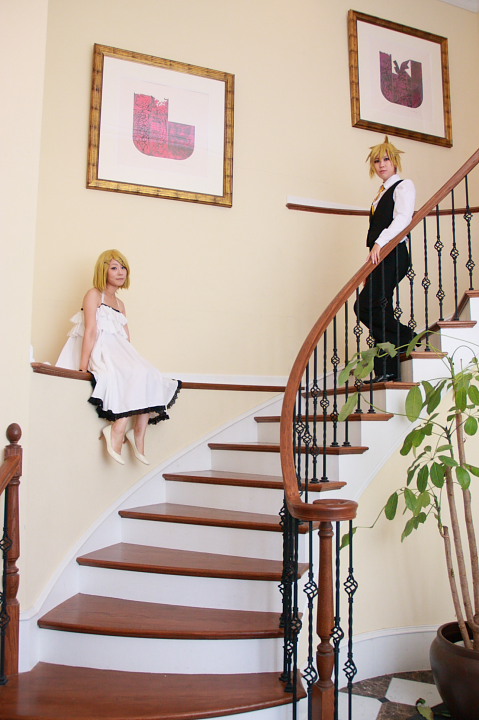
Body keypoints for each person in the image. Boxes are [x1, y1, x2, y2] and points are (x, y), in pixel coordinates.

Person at [56, 249, 181, 465]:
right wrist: (83, 365)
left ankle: (139, 433)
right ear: (103, 270)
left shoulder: (121, 304)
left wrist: (132, 359)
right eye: (114, 268)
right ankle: (118, 427)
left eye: (123, 268)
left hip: (119, 349)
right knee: (126, 374)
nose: (120, 272)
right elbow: (91, 330)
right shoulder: (94, 295)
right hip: (102, 348)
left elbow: (126, 338)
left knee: (148, 373)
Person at [354, 136, 416, 382]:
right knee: (381, 307)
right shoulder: (380, 193)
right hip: (380, 256)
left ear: (395, 162)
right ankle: (387, 370)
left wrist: (380, 242)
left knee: (364, 306)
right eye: (377, 161)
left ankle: (407, 338)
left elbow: (403, 219)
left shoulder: (403, 186)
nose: (381, 165)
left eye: (386, 159)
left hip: (393, 253)